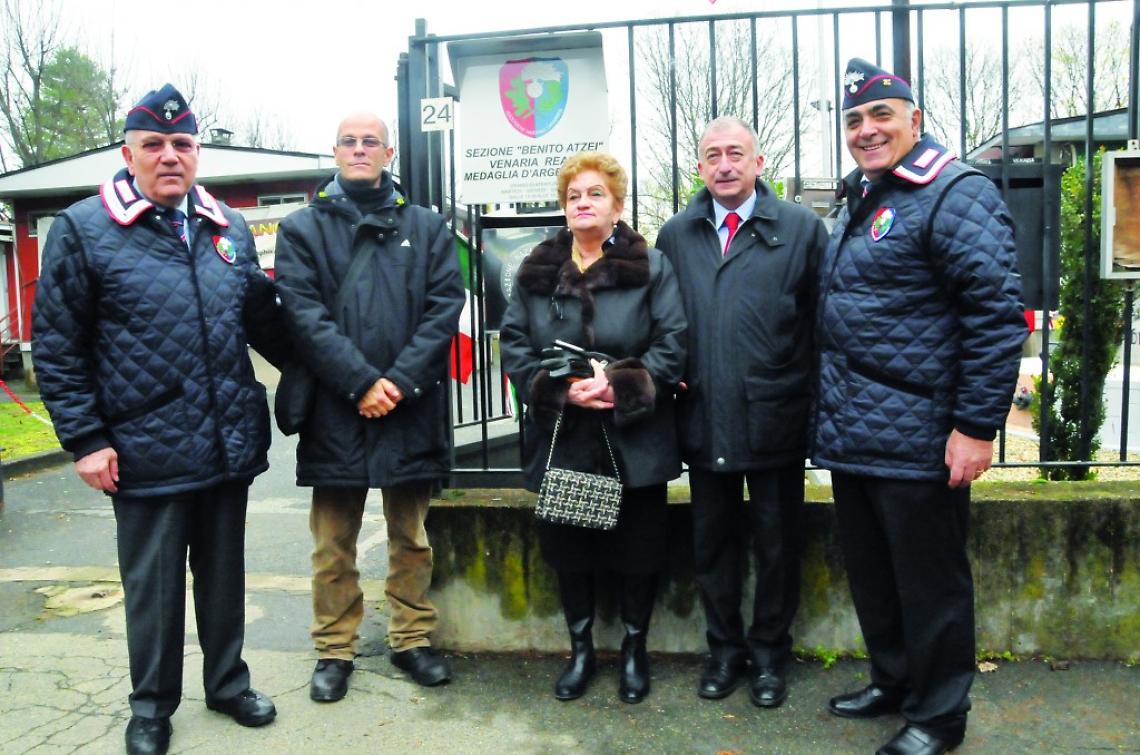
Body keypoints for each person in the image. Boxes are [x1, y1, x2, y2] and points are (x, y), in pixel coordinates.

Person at [32, 84, 287, 755]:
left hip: (226, 439)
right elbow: (58, 347)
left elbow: (265, 322)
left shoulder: (226, 227)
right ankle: (151, 705)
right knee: (154, 586)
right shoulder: (84, 229)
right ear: (129, 152)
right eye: (154, 144)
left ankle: (228, 683)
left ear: (198, 151)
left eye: (182, 144)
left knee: (225, 574)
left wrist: (345, 368)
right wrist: (86, 440)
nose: (169, 155)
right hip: (142, 444)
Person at [814, 59, 1025, 755]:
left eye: (881, 116)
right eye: (854, 121)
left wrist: (974, 425)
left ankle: (939, 715)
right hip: (856, 430)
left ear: (915, 119)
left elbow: (995, 317)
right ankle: (896, 682)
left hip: (921, 433)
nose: (866, 131)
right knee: (876, 575)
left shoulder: (953, 193)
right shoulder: (866, 195)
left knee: (931, 585)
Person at [272, 112, 464, 702]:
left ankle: (411, 639)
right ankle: (334, 649)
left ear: (389, 153)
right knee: (333, 544)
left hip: (409, 407)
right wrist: (359, 382)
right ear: (334, 150)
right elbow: (302, 314)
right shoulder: (302, 228)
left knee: (412, 537)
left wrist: (399, 382)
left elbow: (444, 307)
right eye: (350, 142)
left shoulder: (429, 227)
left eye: (370, 142)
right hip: (336, 409)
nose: (360, 149)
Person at [499, 152, 687, 704]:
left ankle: (634, 649)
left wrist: (621, 384)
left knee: (639, 549)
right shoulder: (536, 270)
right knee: (569, 549)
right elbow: (514, 343)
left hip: (631, 433)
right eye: (574, 196)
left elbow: (672, 341)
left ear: (617, 205)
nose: (583, 203)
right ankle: (580, 651)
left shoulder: (651, 265)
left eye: (595, 194)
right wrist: (558, 387)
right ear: (564, 208)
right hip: (567, 435)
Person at [655, 116, 825, 708]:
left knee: (779, 544)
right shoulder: (675, 234)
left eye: (736, 153)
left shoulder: (803, 230)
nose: (724, 164)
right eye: (712, 155)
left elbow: (819, 327)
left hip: (773, 415)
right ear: (699, 168)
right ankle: (724, 652)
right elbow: (664, 324)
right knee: (713, 545)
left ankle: (771, 658)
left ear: (758, 163)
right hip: (702, 414)